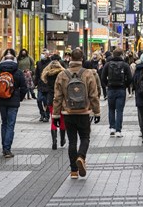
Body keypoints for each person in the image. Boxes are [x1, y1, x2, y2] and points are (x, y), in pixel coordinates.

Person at [52, 48, 101, 179]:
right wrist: (97, 112)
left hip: (68, 112)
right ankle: (81, 157)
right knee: (85, 138)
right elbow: (93, 95)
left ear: (70, 58)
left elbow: (57, 97)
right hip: (84, 112)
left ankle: (73, 171)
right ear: (82, 59)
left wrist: (55, 115)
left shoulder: (62, 75)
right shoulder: (88, 74)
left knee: (72, 140)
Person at [0, 50, 27, 158]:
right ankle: (7, 149)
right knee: (10, 125)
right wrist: (19, 98)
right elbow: (24, 87)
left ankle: (4, 147)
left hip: (2, 100)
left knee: (4, 123)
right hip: (14, 101)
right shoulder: (18, 71)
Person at [101, 48, 132, 137]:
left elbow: (102, 77)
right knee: (119, 110)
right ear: (122, 54)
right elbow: (130, 78)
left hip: (111, 89)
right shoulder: (125, 65)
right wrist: (125, 85)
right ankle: (118, 130)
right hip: (121, 90)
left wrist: (107, 85)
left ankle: (112, 128)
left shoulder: (107, 65)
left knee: (111, 109)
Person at [41, 58, 66, 150]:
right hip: (61, 99)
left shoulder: (47, 75)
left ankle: (54, 141)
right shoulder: (62, 74)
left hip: (51, 99)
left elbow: (45, 88)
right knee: (62, 120)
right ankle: (62, 140)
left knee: (53, 120)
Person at [34, 49, 52, 122]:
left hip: (48, 85)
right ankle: (42, 113)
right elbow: (37, 74)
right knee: (39, 100)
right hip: (41, 85)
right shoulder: (38, 63)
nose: (42, 55)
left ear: (47, 55)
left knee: (47, 101)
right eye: (41, 53)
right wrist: (35, 83)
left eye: (44, 53)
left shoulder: (50, 63)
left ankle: (47, 115)